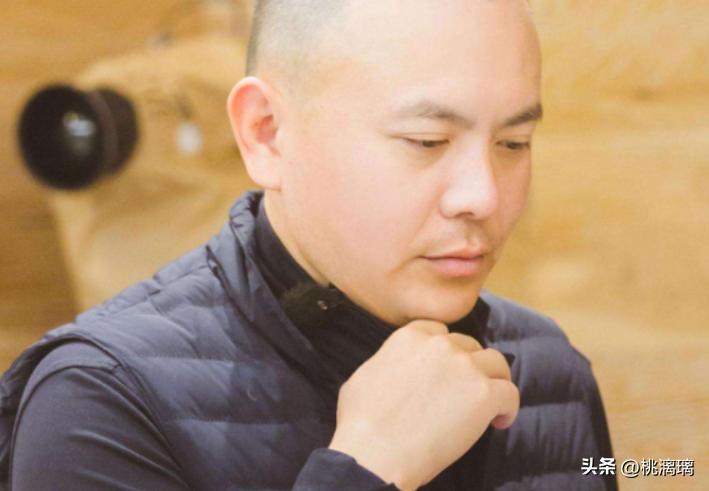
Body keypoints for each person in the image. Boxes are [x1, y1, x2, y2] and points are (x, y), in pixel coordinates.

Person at [0, 1, 617, 490]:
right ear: (267, 133)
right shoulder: (99, 402)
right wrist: (366, 469)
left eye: (514, 143)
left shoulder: (553, 372)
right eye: (427, 140)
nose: (483, 195)